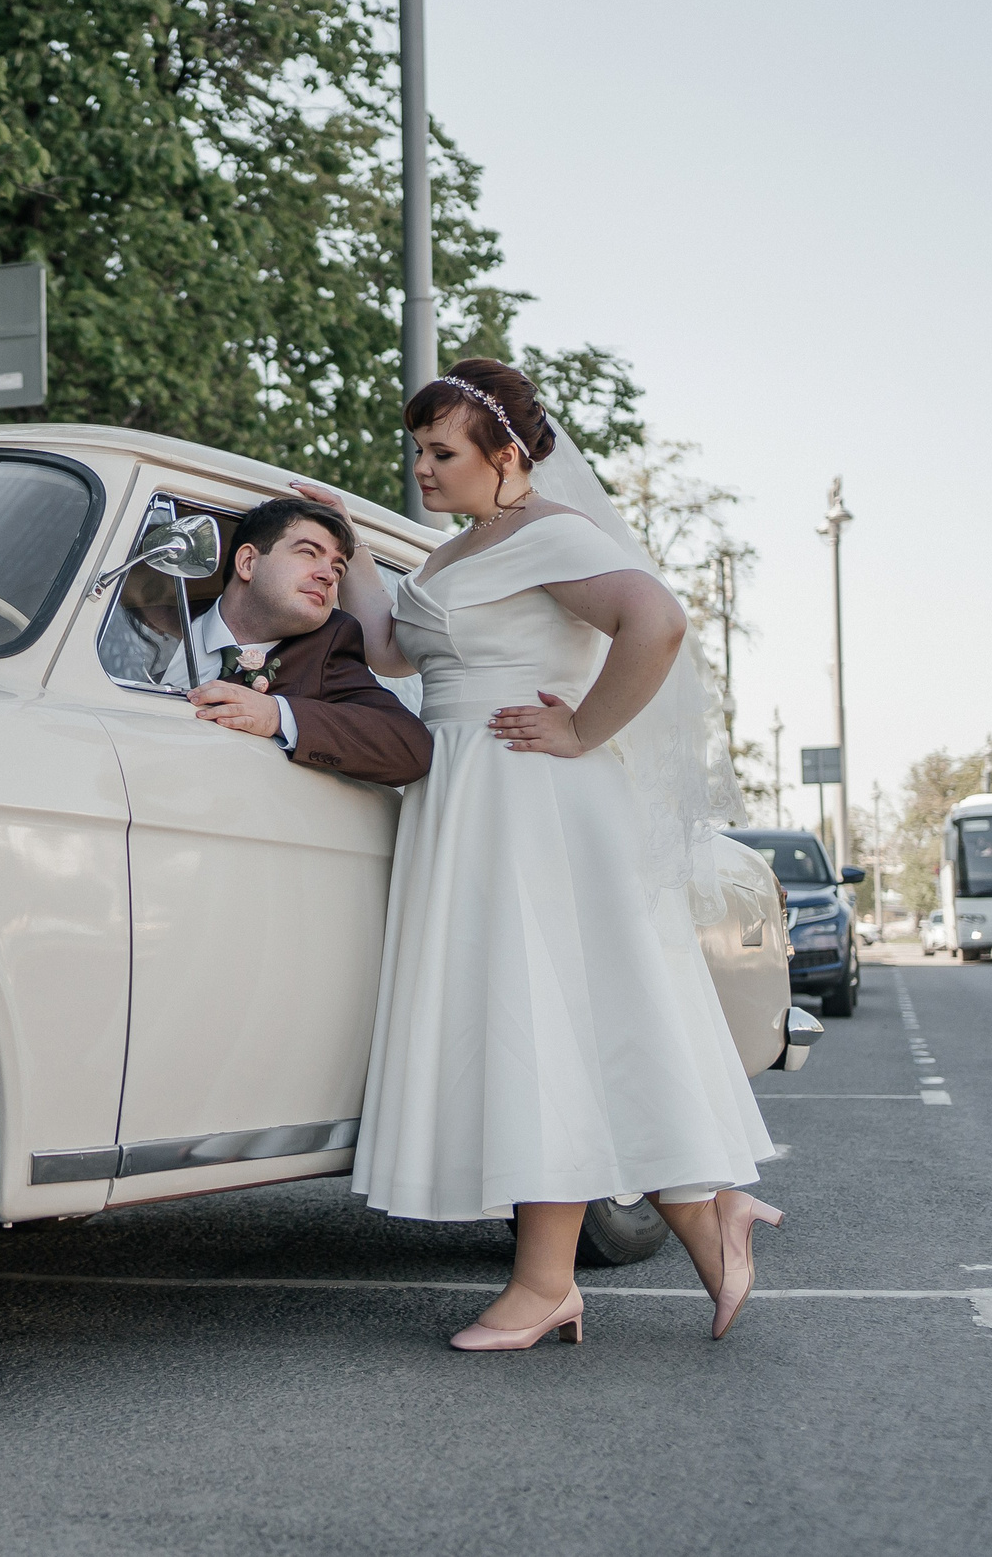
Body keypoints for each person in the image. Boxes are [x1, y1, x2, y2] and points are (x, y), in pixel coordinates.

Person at [296, 358, 778, 1352]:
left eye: (442, 452)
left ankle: (547, 1281)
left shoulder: (549, 537)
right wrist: (346, 552)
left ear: (505, 455)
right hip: (470, 798)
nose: (422, 469)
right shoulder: (452, 553)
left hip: (532, 800)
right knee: (559, 1026)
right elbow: (394, 652)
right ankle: (706, 1215)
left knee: (539, 1021)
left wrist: (585, 730)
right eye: (418, 450)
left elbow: (657, 621)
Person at [164, 497, 433, 789]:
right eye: (308, 552)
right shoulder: (152, 625)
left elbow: (410, 748)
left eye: (338, 569)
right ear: (247, 562)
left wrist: (277, 715)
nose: (328, 576)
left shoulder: (326, 650)